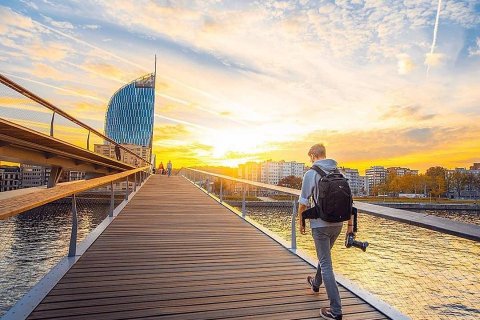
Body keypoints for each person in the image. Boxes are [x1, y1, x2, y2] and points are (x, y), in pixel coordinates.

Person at [298, 143, 354, 320]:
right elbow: (350, 203)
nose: (310, 161)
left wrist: (301, 223)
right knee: (325, 257)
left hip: (320, 225)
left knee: (326, 263)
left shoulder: (310, 174)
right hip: (338, 224)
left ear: (314, 155)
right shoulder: (340, 173)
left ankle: (336, 310)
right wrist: (350, 227)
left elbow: (303, 202)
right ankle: (316, 283)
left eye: (310, 158)